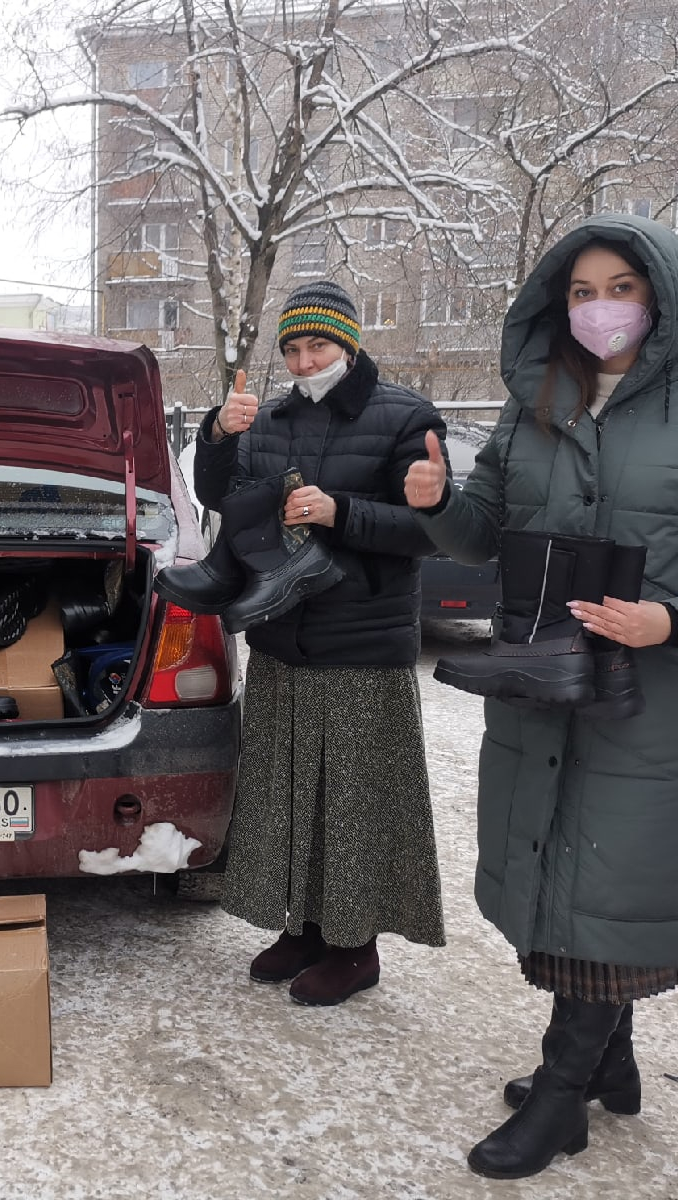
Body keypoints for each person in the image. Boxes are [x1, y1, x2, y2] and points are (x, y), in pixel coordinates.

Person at [404, 215, 678, 1179]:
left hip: (653, 694)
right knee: (551, 864)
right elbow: (481, 533)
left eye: (619, 287)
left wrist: (671, 620)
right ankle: (610, 1063)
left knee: (610, 873)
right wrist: (434, 503)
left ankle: (560, 1094)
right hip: (542, 676)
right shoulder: (535, 402)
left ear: (661, 298)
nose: (599, 308)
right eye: (580, 292)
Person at [194, 280, 448, 1006]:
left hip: (360, 643)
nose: (305, 363)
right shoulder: (268, 418)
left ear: (350, 343)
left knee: (352, 802)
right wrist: (218, 435)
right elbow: (222, 498)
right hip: (283, 636)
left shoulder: (405, 416)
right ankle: (304, 929)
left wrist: (342, 513)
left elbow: (431, 530)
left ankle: (354, 947)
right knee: (289, 793)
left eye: (319, 347)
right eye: (294, 350)